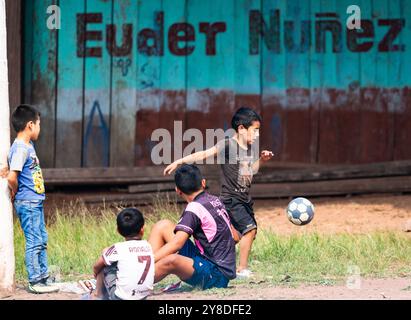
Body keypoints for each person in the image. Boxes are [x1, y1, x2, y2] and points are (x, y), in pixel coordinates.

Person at [164, 107, 273, 277]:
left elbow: (248, 174)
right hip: (231, 199)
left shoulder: (248, 149)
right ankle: (242, 269)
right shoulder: (228, 144)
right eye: (255, 130)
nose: (258, 135)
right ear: (241, 128)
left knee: (236, 237)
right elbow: (204, 154)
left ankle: (212, 257)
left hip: (243, 198)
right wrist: (180, 161)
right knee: (249, 230)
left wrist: (262, 160)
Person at [149, 164, 238, 290]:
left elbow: (177, 244)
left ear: (178, 190)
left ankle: (134, 281)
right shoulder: (215, 200)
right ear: (203, 183)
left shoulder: (194, 208)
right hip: (211, 263)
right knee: (163, 226)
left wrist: (150, 261)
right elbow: (235, 237)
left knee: (171, 260)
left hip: (216, 275)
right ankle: (143, 269)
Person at [5, 104, 58, 294]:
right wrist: (15, 191)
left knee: (41, 238)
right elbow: (12, 177)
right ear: (30, 125)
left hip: (34, 201)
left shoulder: (28, 145)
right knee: (34, 240)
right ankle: (35, 280)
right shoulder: (20, 148)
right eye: (39, 124)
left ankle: (43, 277)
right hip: (27, 202)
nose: (39, 128)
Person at [92, 208, 154, 300]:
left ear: (118, 230)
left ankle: (97, 294)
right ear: (142, 229)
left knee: (105, 257)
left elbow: (96, 266)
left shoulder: (117, 248)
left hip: (120, 298)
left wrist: (96, 274)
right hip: (143, 297)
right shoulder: (148, 246)